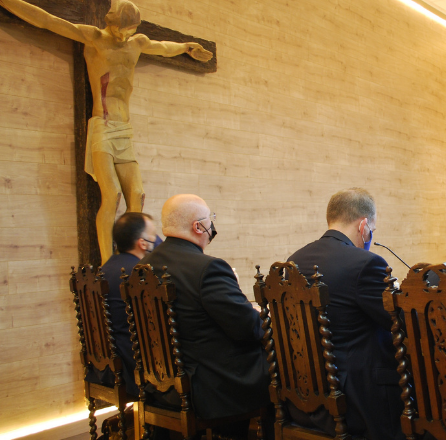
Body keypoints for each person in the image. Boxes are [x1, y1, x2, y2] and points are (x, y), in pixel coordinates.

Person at [0, 0, 213, 263]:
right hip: (103, 126)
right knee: (111, 194)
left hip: (124, 130)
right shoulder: (95, 37)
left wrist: (187, 47)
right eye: (121, 29)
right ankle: (107, 261)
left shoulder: (137, 43)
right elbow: (49, 21)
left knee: (136, 195)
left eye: (130, 29)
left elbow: (164, 47)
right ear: (109, 22)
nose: (124, 34)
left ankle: (137, 259)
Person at [139, 194, 269, 433]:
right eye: (211, 219)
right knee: (283, 367)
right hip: (211, 386)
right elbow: (247, 328)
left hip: (160, 384)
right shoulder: (208, 268)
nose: (212, 225)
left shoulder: (143, 267)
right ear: (198, 226)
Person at [287, 188, 404, 440]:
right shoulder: (366, 263)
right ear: (364, 226)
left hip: (302, 398)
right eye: (372, 231)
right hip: (358, 402)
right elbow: (398, 322)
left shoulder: (294, 260)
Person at [88, 212, 157, 398]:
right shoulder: (137, 274)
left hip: (101, 366)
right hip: (131, 366)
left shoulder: (105, 269)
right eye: (154, 236)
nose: (157, 241)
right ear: (143, 243)